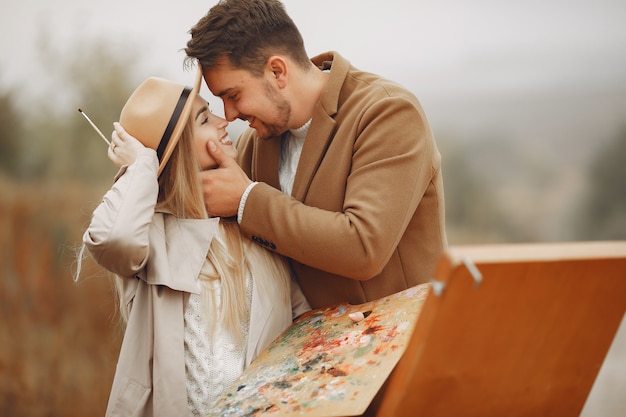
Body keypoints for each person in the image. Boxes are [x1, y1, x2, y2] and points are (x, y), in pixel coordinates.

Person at [75, 67, 310, 417]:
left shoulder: (252, 224)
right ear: (177, 150)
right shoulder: (151, 236)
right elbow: (113, 239)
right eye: (203, 118)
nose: (222, 120)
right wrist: (141, 166)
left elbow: (300, 323)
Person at [183, 0, 447, 310]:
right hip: (312, 353)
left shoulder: (387, 112)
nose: (228, 114)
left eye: (234, 95)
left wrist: (246, 200)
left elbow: (364, 247)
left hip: (407, 346)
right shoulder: (254, 145)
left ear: (277, 71)